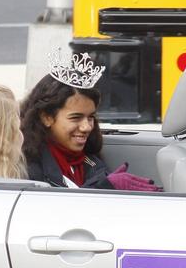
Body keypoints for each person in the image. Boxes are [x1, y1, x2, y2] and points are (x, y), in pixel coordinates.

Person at [20, 54, 161, 191]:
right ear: (47, 118)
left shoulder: (90, 161)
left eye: (91, 117)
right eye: (75, 118)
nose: (87, 127)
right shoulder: (26, 165)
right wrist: (105, 187)